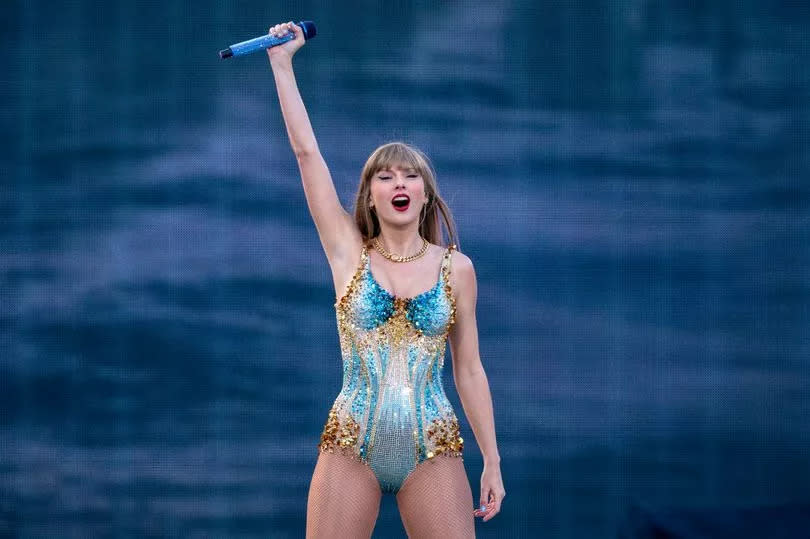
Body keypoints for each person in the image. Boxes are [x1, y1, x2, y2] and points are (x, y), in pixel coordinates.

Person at [266, 21, 505, 538]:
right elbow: (308, 154)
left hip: (433, 446)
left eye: (410, 175)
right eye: (385, 175)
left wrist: (492, 458)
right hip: (351, 443)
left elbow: (469, 370)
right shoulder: (347, 253)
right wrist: (283, 66)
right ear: (370, 195)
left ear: (425, 195)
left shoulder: (456, 268)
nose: (399, 182)